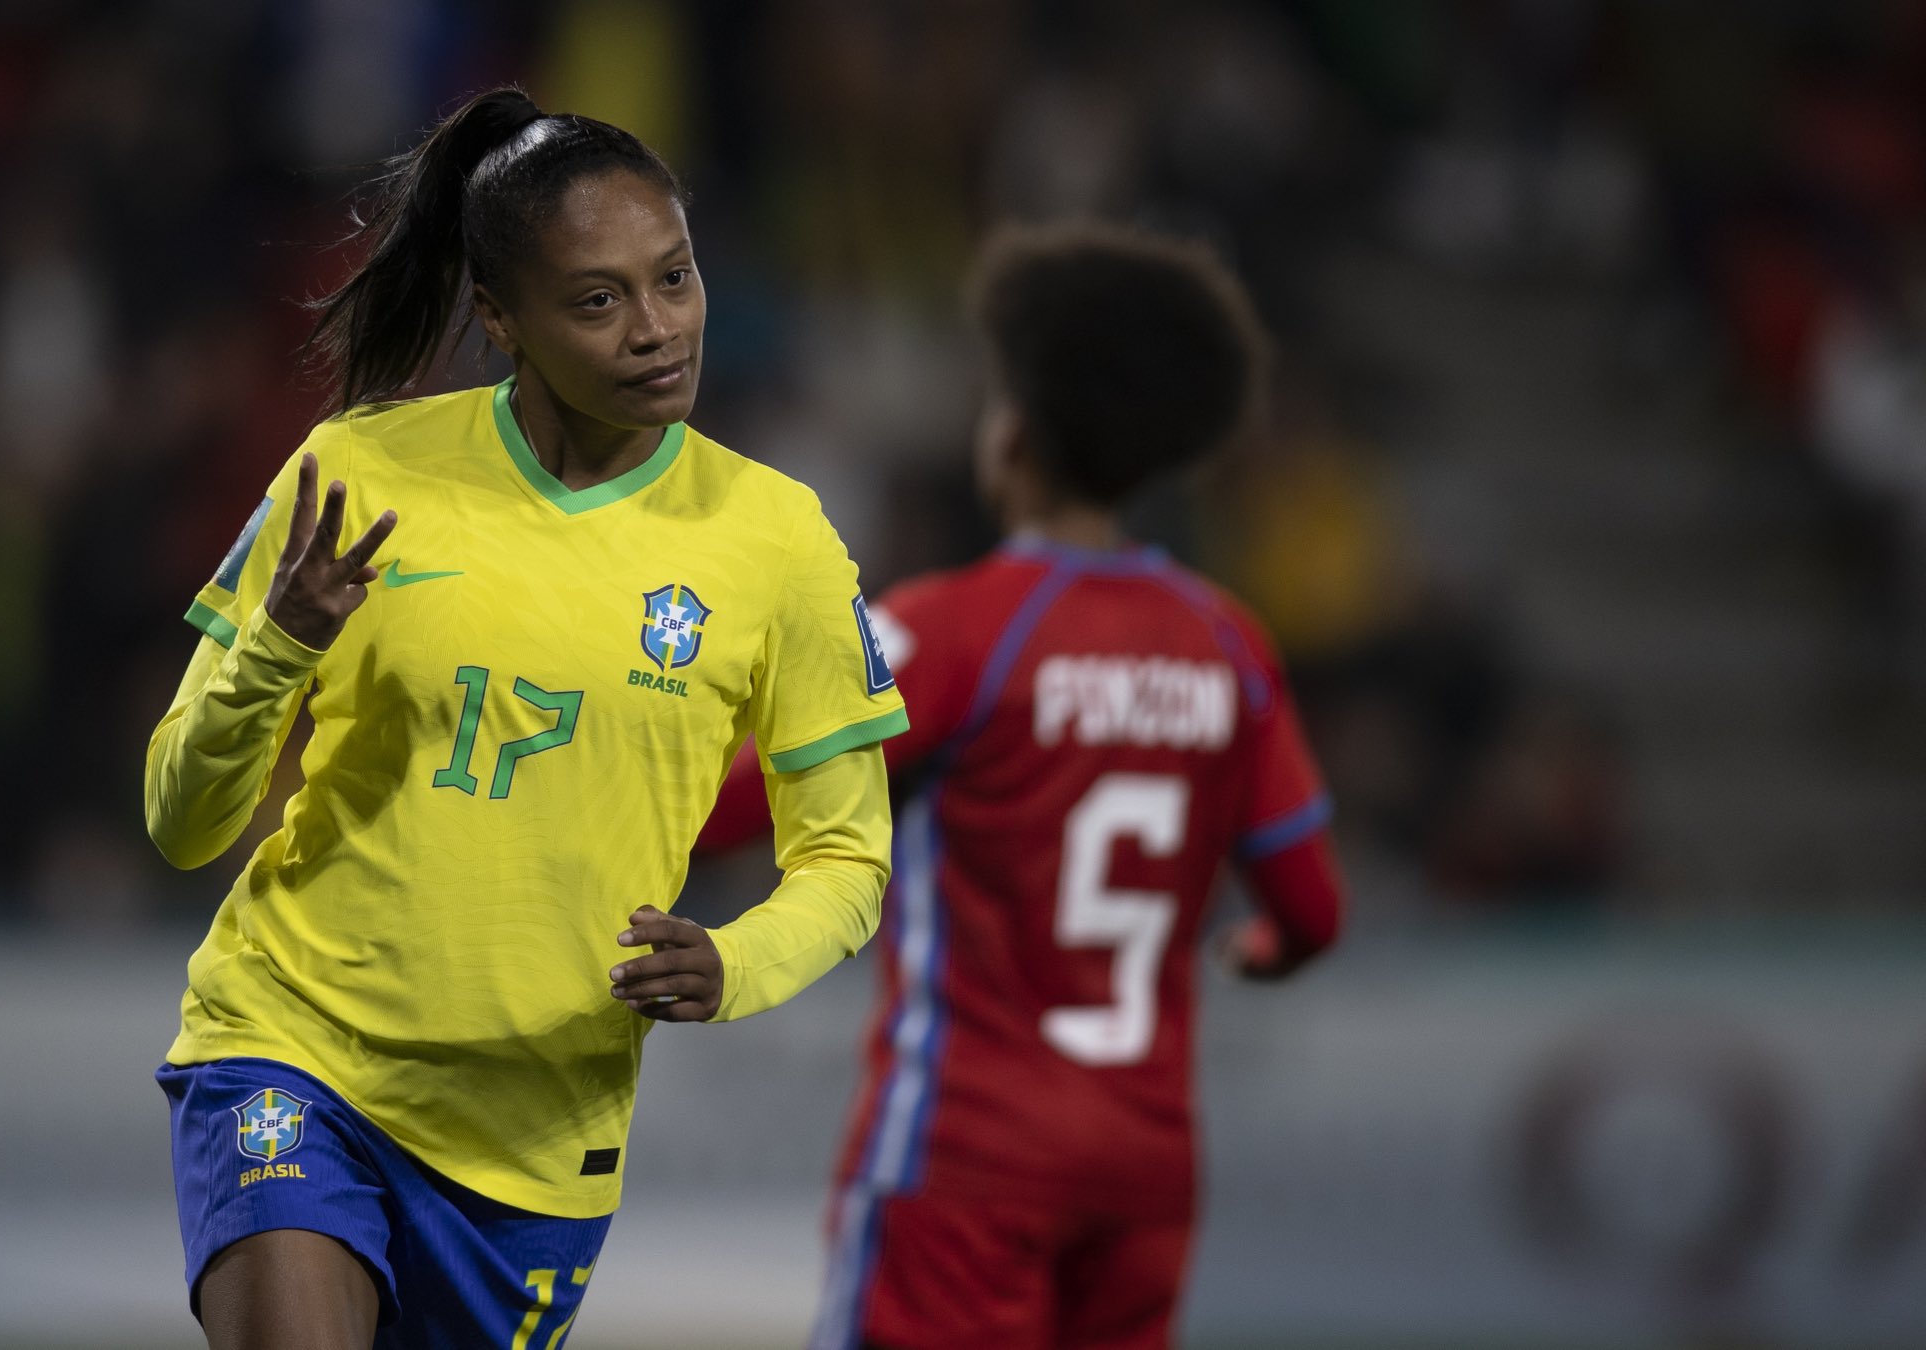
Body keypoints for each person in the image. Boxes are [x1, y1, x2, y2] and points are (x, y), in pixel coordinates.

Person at [143, 86, 908, 1350]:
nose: (656, 329)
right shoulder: (357, 474)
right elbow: (181, 821)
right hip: (293, 1049)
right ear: (498, 318)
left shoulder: (777, 540)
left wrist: (733, 964)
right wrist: (277, 648)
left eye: (674, 277)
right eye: (598, 299)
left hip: (532, 1145)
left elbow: (847, 860)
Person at [697, 222, 1347, 1350]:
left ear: (1014, 438)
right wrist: (1260, 953)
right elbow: (1310, 909)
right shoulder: (1225, 645)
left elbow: (730, 810)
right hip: (1143, 1174)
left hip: (965, 1160)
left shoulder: (958, 631)